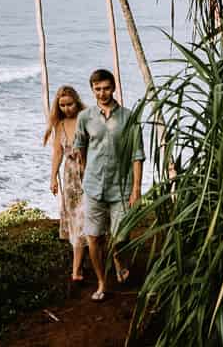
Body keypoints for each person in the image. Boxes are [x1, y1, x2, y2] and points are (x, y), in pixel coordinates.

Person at [73, 68, 143, 301]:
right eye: (97, 89)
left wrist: (136, 189)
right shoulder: (85, 118)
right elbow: (80, 144)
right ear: (92, 90)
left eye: (106, 88)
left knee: (121, 236)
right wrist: (82, 167)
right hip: (93, 187)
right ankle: (102, 282)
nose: (102, 93)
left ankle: (118, 258)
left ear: (114, 88)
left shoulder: (129, 117)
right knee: (93, 237)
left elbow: (137, 154)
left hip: (121, 188)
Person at [44, 85, 89, 282]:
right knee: (76, 221)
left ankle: (80, 268)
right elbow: (58, 152)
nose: (66, 108)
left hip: (89, 173)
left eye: (69, 104)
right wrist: (53, 177)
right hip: (70, 178)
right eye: (62, 105)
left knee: (91, 218)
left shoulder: (86, 118)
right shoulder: (60, 125)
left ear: (76, 101)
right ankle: (77, 269)